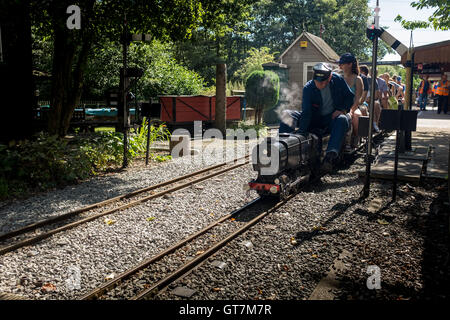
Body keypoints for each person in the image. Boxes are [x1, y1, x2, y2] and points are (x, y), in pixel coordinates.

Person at [279, 62, 354, 173]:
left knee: (343, 119)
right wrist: (302, 132)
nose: (320, 85)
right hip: (313, 119)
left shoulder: (338, 80)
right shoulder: (308, 88)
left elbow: (349, 97)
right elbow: (307, 112)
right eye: (317, 82)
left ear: (330, 77)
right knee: (286, 114)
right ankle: (283, 149)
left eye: (323, 82)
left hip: (331, 120)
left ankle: (330, 157)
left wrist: (342, 110)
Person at [337, 53, 363, 151]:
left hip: (354, 107)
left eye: (342, 64)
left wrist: (351, 110)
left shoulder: (358, 79)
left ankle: (354, 139)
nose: (340, 66)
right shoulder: (339, 78)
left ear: (350, 64)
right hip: (341, 107)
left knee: (355, 117)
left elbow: (358, 99)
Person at [359, 65, 381, 132]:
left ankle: (375, 124)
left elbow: (376, 95)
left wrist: (370, 98)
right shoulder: (356, 79)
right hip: (361, 99)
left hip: (371, 99)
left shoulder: (372, 80)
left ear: (362, 72)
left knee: (375, 104)